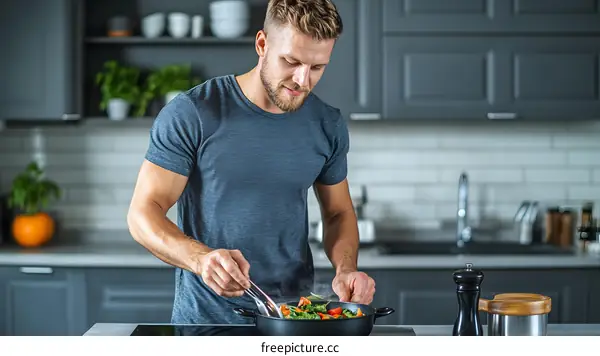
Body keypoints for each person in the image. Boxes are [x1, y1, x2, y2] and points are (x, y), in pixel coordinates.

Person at [127, 0, 376, 325]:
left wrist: (346, 268)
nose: (302, 80)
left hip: (292, 323)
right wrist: (201, 260)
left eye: (317, 67)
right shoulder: (193, 113)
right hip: (207, 325)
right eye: (291, 61)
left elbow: (338, 212)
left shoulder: (326, 124)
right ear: (262, 44)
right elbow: (143, 213)